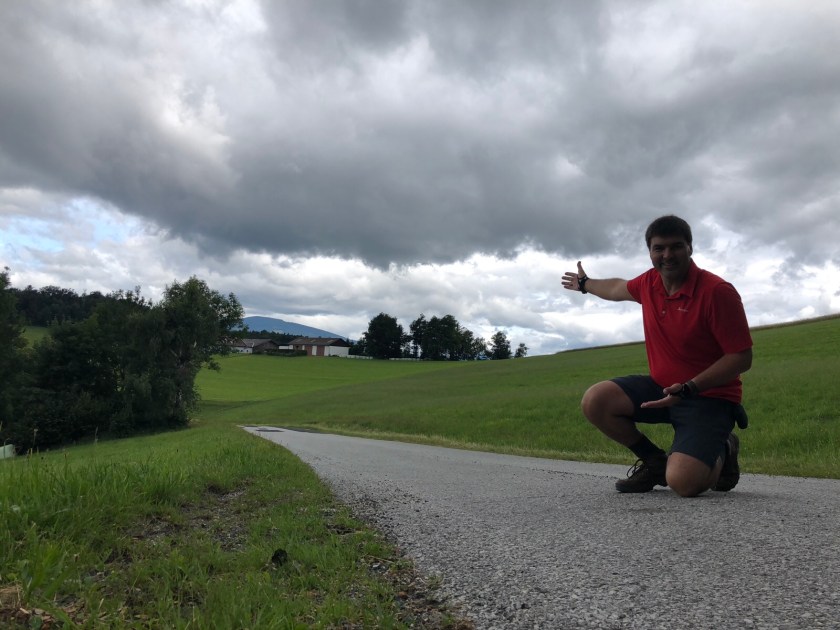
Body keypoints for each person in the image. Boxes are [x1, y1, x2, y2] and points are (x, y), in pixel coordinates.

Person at [561, 215, 752, 497]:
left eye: (676, 247)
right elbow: (616, 288)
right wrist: (585, 284)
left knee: (684, 483)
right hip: (662, 389)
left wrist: (688, 388)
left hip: (709, 397)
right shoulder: (650, 283)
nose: (667, 255)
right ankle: (654, 461)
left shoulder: (717, 292)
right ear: (650, 251)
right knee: (596, 400)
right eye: (659, 248)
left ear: (690, 248)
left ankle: (724, 446)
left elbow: (741, 357)